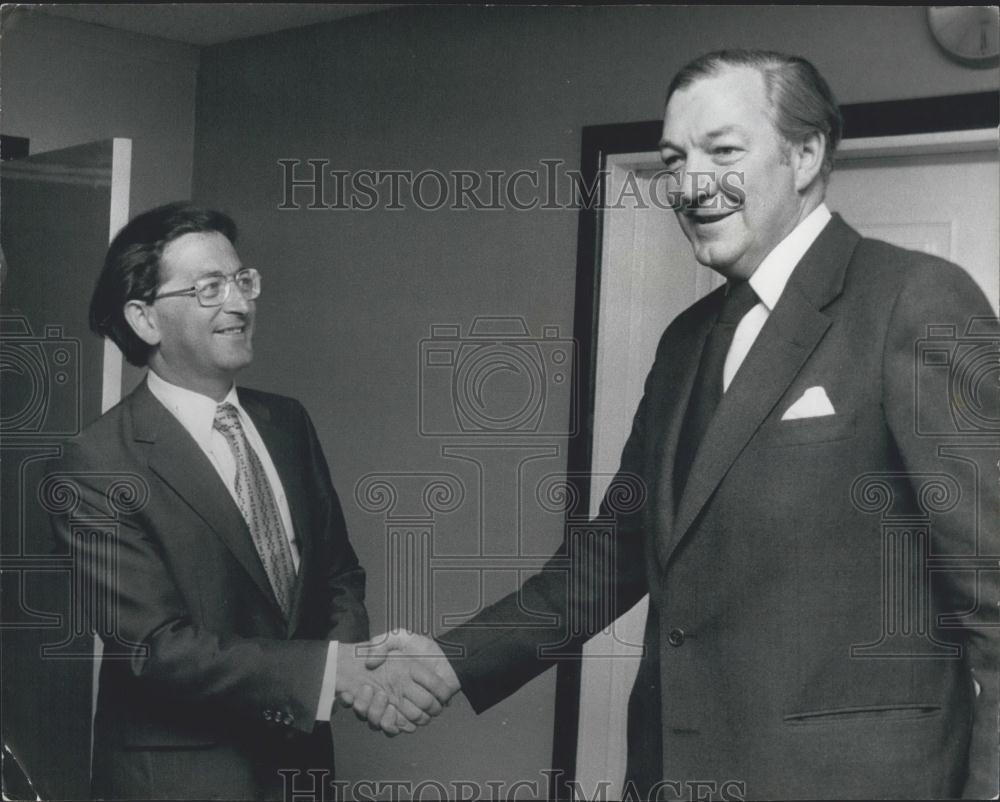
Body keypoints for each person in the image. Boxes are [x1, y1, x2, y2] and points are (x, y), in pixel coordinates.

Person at [363, 50, 1000, 799]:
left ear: (805, 154)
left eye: (723, 151)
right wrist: (451, 660)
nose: (690, 185)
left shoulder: (916, 299)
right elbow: (613, 554)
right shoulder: (687, 340)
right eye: (673, 159)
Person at [48, 203, 449, 800]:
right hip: (180, 782)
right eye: (209, 287)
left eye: (241, 280)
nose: (239, 303)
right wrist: (328, 672)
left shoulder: (287, 423)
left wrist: (349, 667)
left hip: (300, 772)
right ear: (145, 319)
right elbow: (157, 649)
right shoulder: (97, 463)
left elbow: (337, 573)